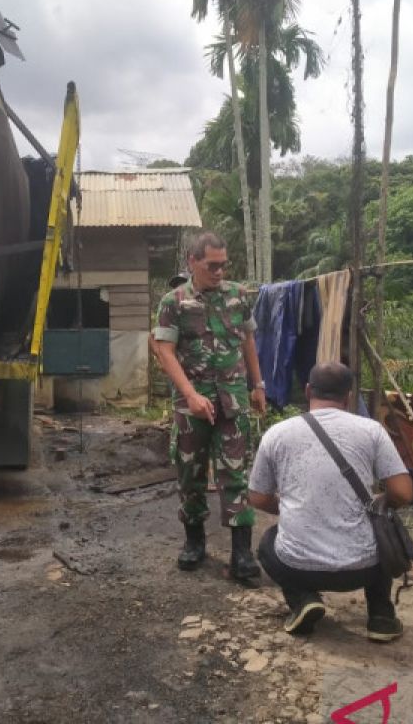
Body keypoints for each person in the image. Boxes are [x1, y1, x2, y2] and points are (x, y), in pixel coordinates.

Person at [249, 362, 413, 639]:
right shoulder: (371, 430)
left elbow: (257, 496)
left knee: (267, 545)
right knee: (380, 524)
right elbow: (403, 493)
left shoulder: (277, 434)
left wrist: (293, 507)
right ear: (349, 396)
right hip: (363, 569)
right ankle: (381, 617)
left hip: (299, 567)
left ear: (308, 390)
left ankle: (303, 599)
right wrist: (377, 503)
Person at [152, 232, 267, 581]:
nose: (219, 272)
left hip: (232, 401)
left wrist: (257, 384)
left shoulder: (238, 297)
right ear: (192, 262)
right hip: (193, 404)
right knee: (191, 472)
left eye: (223, 265)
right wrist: (190, 394)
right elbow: (163, 350)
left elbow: (248, 340)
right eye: (211, 265)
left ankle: (242, 553)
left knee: (235, 471)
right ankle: (194, 541)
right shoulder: (174, 302)